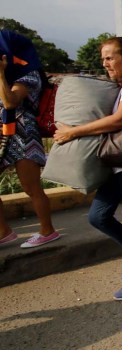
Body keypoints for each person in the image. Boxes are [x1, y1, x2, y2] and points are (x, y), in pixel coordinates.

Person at [53, 37, 122, 300]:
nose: (105, 63)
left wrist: (72, 133)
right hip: (118, 164)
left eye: (110, 57)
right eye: (103, 59)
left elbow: (121, 119)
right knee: (98, 216)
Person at [0, 30, 59, 249]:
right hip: (2, 131)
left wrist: (0, 74)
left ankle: (47, 230)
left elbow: (10, 102)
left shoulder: (29, 75)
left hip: (23, 131)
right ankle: (3, 231)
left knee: (30, 186)